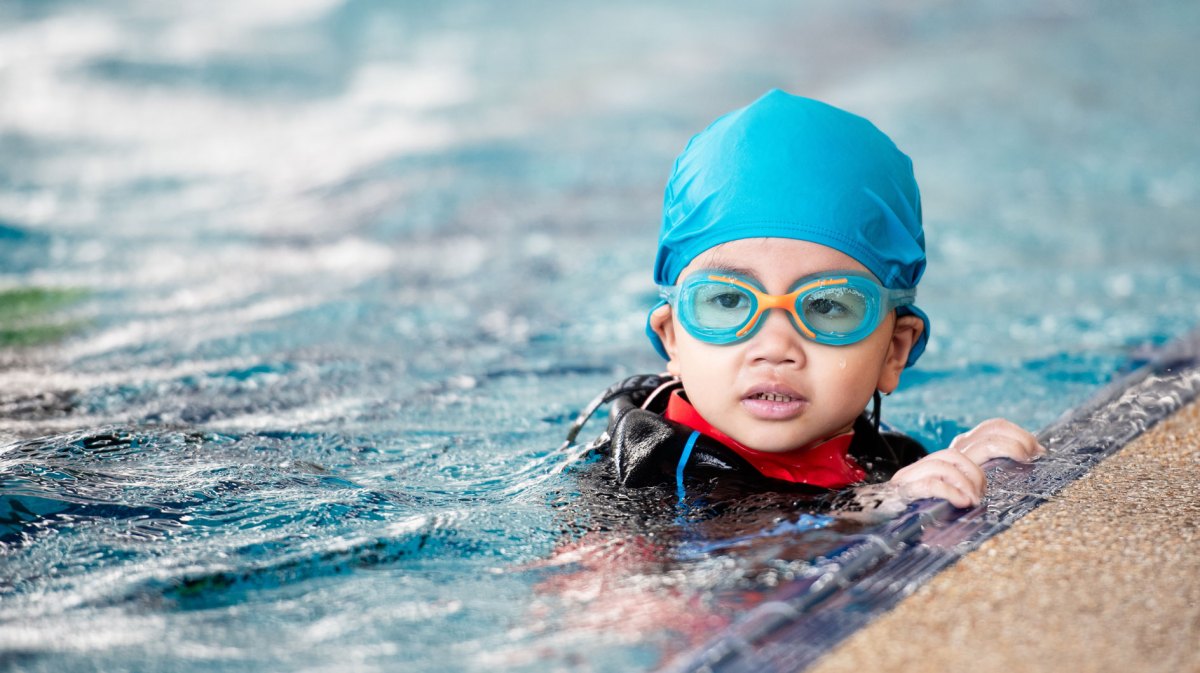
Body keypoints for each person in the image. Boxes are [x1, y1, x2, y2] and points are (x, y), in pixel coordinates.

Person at [569, 89, 1043, 510]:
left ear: (894, 351)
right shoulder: (642, 468)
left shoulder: (884, 456)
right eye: (728, 301)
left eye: (828, 306)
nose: (775, 347)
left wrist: (961, 468)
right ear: (672, 339)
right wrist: (866, 507)